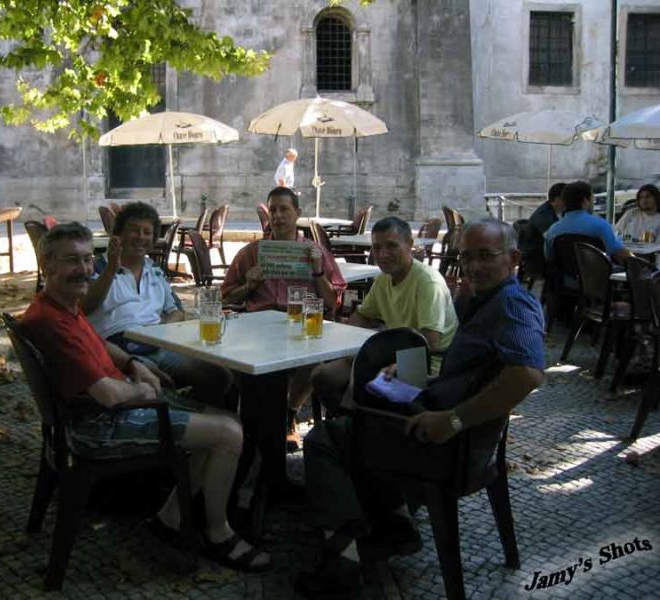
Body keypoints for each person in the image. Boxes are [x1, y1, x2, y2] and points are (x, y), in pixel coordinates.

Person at [296, 219, 545, 597]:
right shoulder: (486, 300)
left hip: (444, 448)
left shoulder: (513, 304)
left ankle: (343, 557)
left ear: (512, 258)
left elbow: (527, 374)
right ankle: (392, 520)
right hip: (448, 429)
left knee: (325, 439)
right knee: (359, 397)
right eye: (466, 257)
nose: (473, 266)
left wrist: (454, 419)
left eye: (485, 256)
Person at [20, 222, 271, 572]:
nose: (83, 269)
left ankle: (170, 519)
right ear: (47, 265)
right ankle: (218, 533)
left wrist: (135, 362)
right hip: (97, 425)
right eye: (71, 261)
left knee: (227, 419)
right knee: (228, 431)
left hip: (94, 412)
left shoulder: (58, 306)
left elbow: (98, 340)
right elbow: (108, 395)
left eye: (87, 259)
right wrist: (144, 389)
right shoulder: (53, 322)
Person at [221, 186, 347, 449]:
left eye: (284, 209)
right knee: (237, 363)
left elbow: (332, 302)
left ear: (297, 213)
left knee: (313, 357)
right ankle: (252, 425)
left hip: (299, 325)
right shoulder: (251, 252)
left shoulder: (315, 251)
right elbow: (226, 298)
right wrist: (248, 285)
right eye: (273, 210)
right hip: (257, 326)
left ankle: (289, 411)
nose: (278, 216)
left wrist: (317, 272)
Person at [81, 202, 233, 407]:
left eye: (147, 232)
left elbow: (176, 311)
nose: (141, 237)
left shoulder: (154, 270)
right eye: (134, 230)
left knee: (218, 374)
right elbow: (84, 307)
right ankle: (187, 422)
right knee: (161, 384)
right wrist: (110, 271)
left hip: (156, 344)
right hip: (117, 348)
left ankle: (206, 421)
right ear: (119, 234)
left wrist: (158, 332)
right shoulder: (97, 267)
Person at [310, 216, 458, 415]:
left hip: (427, 364)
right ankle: (348, 426)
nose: (383, 254)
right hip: (390, 355)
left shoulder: (427, 282)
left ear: (410, 245)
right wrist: (339, 339)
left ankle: (362, 427)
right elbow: (363, 316)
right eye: (377, 247)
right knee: (323, 375)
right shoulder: (383, 280)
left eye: (391, 246)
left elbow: (429, 342)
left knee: (363, 382)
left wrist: (386, 359)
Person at [545, 180, 631, 266]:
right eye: (592, 199)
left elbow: (549, 257)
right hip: (599, 276)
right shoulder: (601, 225)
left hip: (566, 278)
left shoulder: (553, 230)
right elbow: (619, 253)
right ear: (585, 201)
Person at [521, 182, 566, 275]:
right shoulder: (543, 215)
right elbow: (552, 238)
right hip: (537, 259)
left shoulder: (558, 212)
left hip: (547, 255)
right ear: (557, 199)